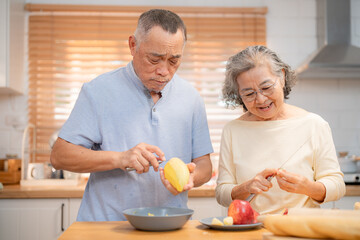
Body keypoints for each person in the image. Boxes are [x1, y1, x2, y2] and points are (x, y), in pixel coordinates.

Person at [50, 9, 213, 221]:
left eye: (174, 61)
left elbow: (204, 166)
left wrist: (193, 176)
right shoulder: (98, 91)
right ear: (133, 45)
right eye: (155, 59)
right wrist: (121, 158)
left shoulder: (192, 98)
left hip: (169, 226)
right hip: (105, 227)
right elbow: (59, 156)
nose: (164, 71)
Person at [215, 45, 345, 215]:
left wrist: (308, 187)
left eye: (266, 87)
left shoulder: (314, 125)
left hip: (300, 230)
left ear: (282, 77)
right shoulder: (233, 130)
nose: (261, 99)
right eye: (249, 94)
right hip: (249, 229)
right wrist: (245, 187)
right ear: (239, 95)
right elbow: (221, 194)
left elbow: (337, 185)